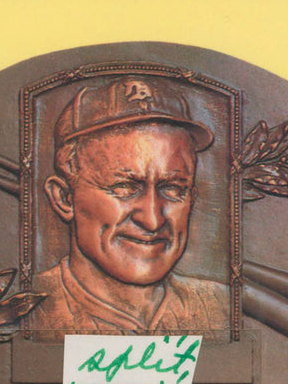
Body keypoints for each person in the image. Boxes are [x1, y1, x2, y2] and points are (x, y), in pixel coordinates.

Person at [29, 76, 230, 338]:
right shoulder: (25, 307)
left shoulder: (221, 308)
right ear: (64, 198)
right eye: (124, 187)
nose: (152, 220)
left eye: (173, 189)